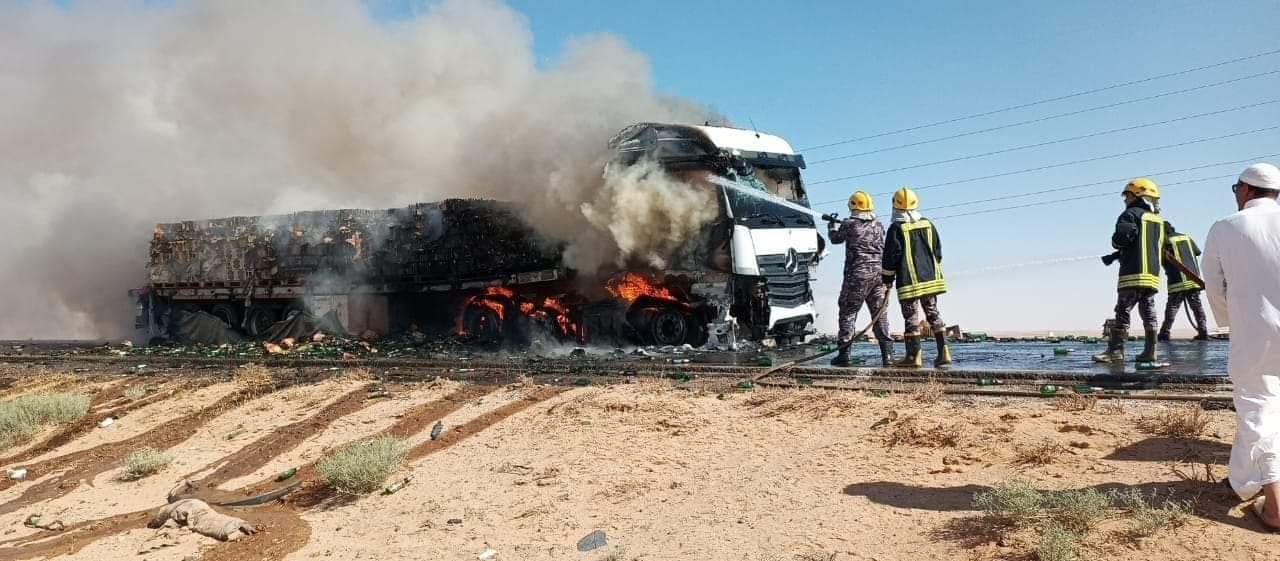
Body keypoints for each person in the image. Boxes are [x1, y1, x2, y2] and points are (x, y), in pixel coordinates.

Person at [1201, 162, 1280, 529]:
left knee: (1258, 405)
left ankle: (1275, 504)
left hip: (1256, 332)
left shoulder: (1225, 227)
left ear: (1246, 190)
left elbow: (1214, 286)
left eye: (1236, 189)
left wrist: (1231, 321)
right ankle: (1243, 481)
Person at [1092, 178, 1165, 364]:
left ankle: (1116, 351)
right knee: (1148, 311)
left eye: (1127, 196)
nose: (1125, 200)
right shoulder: (1157, 220)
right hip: (1152, 276)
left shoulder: (1130, 214)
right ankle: (1150, 352)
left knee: (1123, 310)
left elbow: (1122, 239)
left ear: (1136, 196)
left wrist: (1116, 244)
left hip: (1132, 273)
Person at [881, 187, 950, 368]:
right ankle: (944, 353)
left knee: (911, 317)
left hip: (909, 282)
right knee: (933, 312)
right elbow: (938, 250)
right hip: (931, 280)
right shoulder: (928, 224)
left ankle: (914, 356)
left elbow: (891, 257)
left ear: (895, 206)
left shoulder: (896, 228)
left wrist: (887, 279)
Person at [828, 191, 893, 366]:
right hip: (878, 275)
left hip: (857, 276)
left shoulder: (849, 224)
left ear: (853, 206)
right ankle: (887, 356)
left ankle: (844, 354)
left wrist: (831, 226)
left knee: (848, 312)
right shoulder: (879, 225)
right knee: (879, 314)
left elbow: (835, 239)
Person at [1158, 222, 1209, 341]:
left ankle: (1165, 332)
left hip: (1177, 281)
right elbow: (1197, 252)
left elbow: (1161, 259)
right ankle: (1203, 331)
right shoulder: (1186, 237)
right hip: (1193, 279)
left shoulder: (1164, 242)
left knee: (1172, 307)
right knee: (1197, 307)